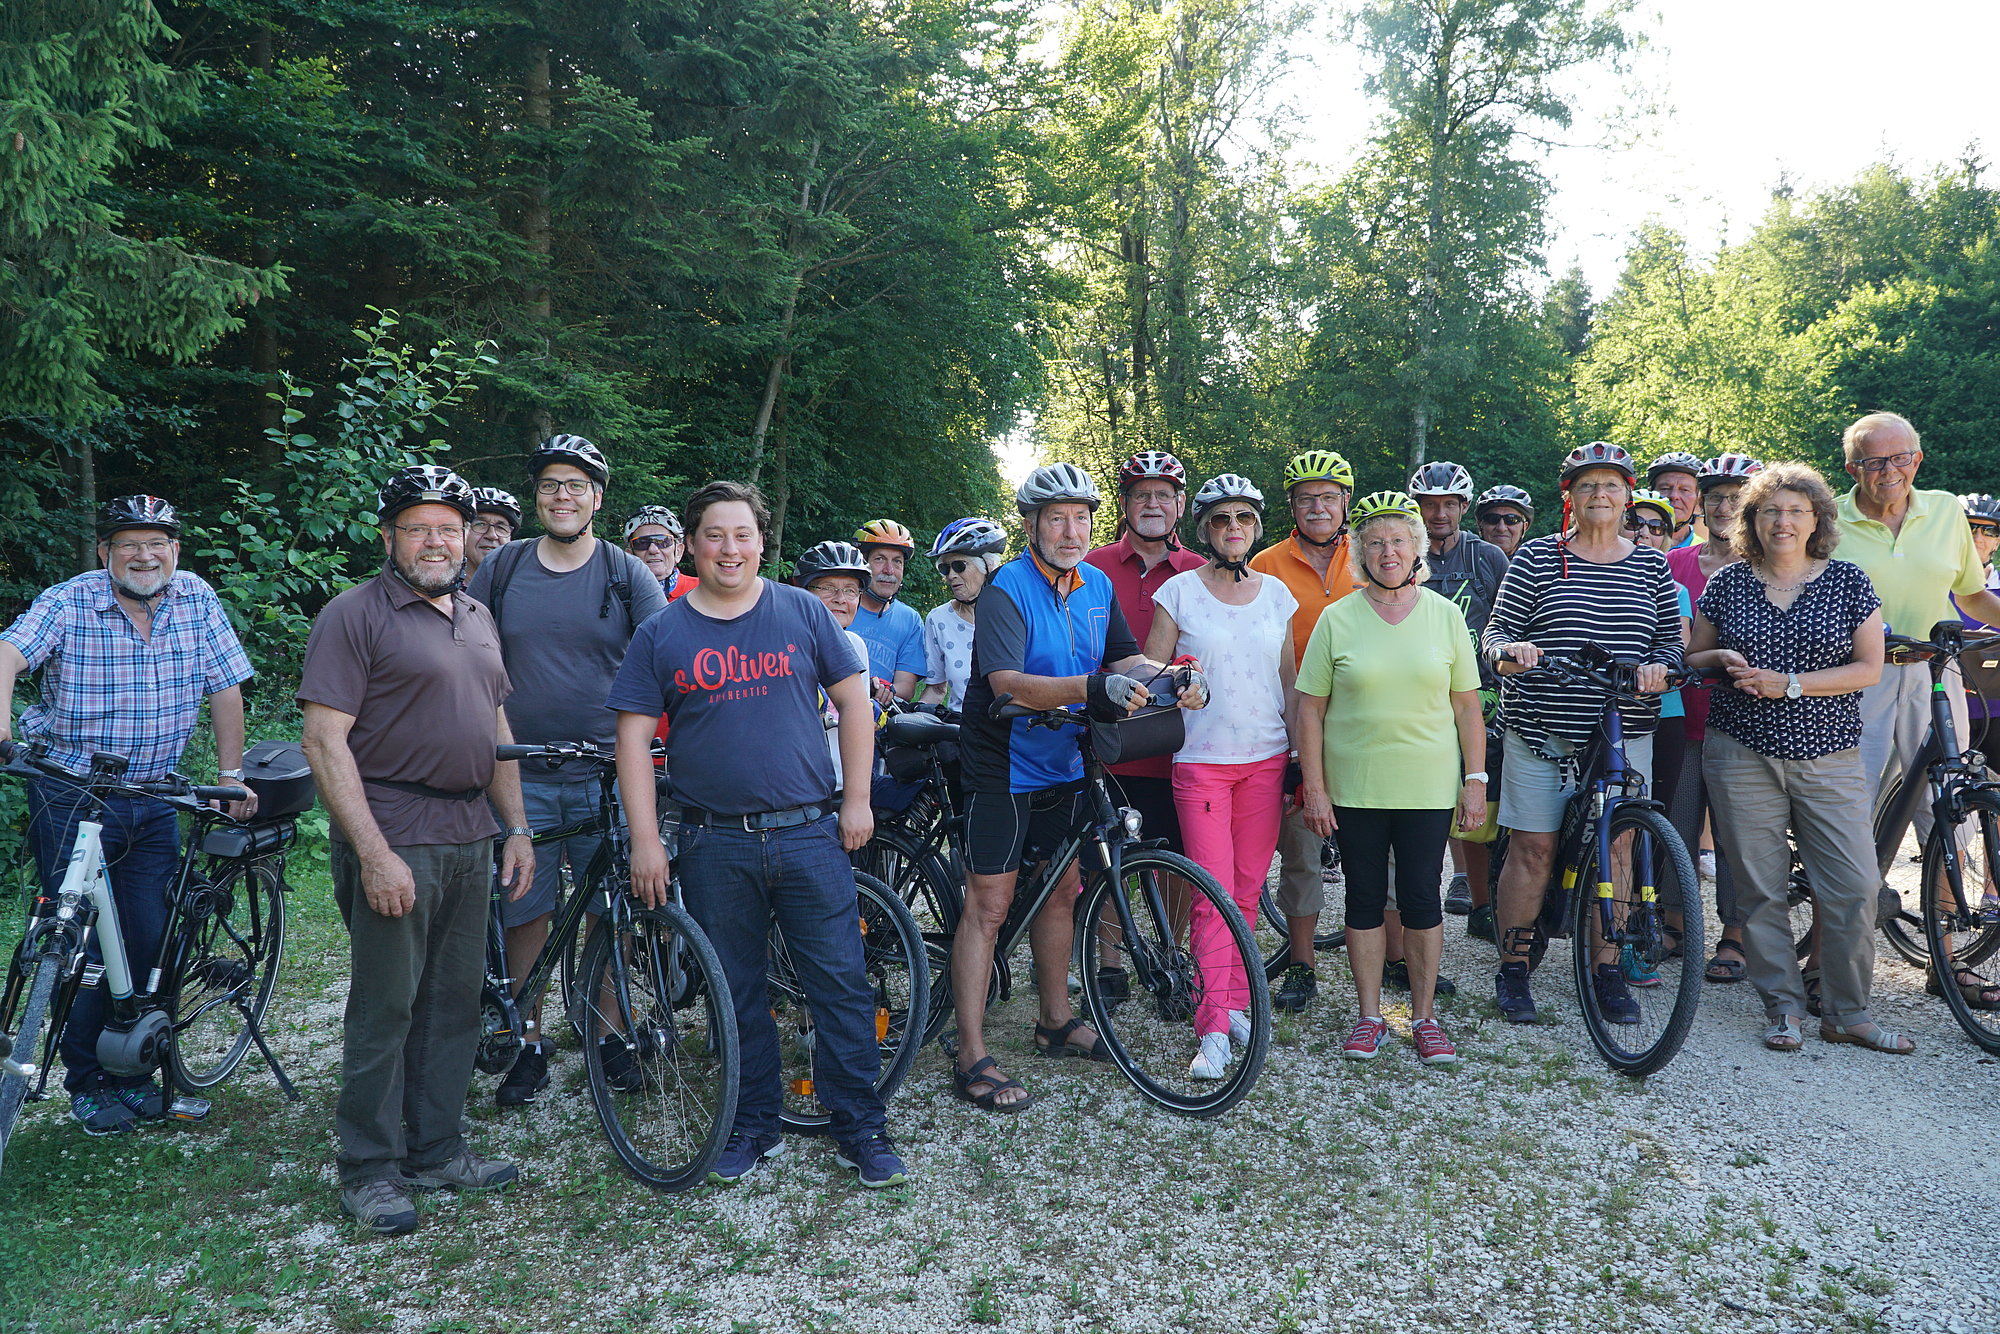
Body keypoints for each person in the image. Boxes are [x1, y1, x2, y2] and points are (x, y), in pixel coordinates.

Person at [609, 481, 908, 1188]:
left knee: (839, 983)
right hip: (714, 842)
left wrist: (856, 798)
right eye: (714, 534)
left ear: (761, 542)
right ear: (691, 544)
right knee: (737, 991)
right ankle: (753, 1123)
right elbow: (630, 740)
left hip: (809, 831)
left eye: (742, 534)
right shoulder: (662, 633)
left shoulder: (802, 610)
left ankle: (860, 1127)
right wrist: (647, 840)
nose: (730, 548)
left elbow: (855, 701)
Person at [299, 465, 534, 1235]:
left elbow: (496, 731)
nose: (436, 540)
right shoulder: (353, 614)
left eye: (448, 527)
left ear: (468, 537)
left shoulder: (476, 612)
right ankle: (369, 1168)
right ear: (387, 537)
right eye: (418, 527)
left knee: (452, 1003)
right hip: (397, 833)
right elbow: (325, 740)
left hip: (470, 834)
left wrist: (518, 827)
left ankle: (436, 1148)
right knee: (386, 1006)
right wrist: (372, 851)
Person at [949, 463, 1204, 1112]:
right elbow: (1006, 682)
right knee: (991, 906)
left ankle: (1055, 1020)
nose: (1071, 530)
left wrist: (1173, 677)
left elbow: (1124, 660)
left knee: (1063, 889)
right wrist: (1092, 690)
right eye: (1057, 518)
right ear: (1031, 524)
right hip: (1002, 763)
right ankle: (971, 1052)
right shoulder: (1007, 587)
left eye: (1081, 518)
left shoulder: (1094, 583)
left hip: (1067, 756)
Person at [0, 495, 256, 1136]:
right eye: (128, 544)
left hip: (157, 793)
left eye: (157, 543)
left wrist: (230, 776)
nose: (144, 555)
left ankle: (132, 1071)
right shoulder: (70, 600)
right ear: (104, 552)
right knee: (81, 941)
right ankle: (85, 1081)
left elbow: (226, 685)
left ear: (175, 550)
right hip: (72, 791)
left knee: (147, 935)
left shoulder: (195, 597)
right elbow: (6, 655)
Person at [465, 436, 666, 1109]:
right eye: (551, 484)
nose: (562, 496)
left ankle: (610, 1033)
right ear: (537, 497)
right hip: (518, 773)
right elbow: (462, 648)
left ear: (596, 499)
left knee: (611, 908)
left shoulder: (623, 571)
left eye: (576, 486)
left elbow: (666, 658)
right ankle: (528, 1040)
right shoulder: (505, 569)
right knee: (526, 913)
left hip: (609, 773)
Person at [1686, 462, 1903, 1053]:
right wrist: (1723, 658)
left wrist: (1792, 684)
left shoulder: (1847, 582)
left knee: (1855, 887)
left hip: (1828, 753)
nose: (1783, 521)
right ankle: (1783, 1007)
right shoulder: (1729, 584)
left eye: (1795, 511)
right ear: (1752, 521)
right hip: (1741, 753)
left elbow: (1868, 668)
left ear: (1817, 520)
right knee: (1761, 888)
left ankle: (1847, 1011)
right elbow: (1694, 657)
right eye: (1770, 511)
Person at [1482, 442, 1683, 1025]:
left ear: (1627, 495)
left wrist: (1660, 667)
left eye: (1613, 485)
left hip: (1623, 729)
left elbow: (1669, 641)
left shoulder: (1651, 565)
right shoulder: (1538, 558)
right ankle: (1514, 966)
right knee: (1534, 848)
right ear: (1569, 496)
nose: (1601, 495)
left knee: (1618, 843)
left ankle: (1607, 967)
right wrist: (1510, 652)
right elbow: (1495, 635)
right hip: (1544, 729)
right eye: (1588, 485)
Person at [1296, 492, 1484, 1065]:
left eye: (1399, 539)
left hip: (1426, 788)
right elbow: (1310, 710)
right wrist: (1316, 788)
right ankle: (1370, 1014)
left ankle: (1425, 1018)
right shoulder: (1337, 618)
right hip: (1356, 789)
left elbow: (1467, 708)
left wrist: (1474, 780)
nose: (1387, 551)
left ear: (1417, 548)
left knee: (1424, 900)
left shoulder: (1445, 615)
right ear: (1359, 553)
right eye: (1374, 542)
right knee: (1363, 899)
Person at [1145, 474, 1297, 1078]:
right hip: (1202, 763)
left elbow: (1287, 682)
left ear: (1256, 527)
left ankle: (1232, 1000)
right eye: (1221, 520)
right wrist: (1175, 677)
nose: (1234, 529)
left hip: (1265, 758)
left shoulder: (1277, 594)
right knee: (1211, 897)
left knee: (1247, 893)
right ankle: (1211, 1030)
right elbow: (1151, 672)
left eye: (1244, 520)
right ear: (1204, 528)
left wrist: (1302, 759)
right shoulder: (1178, 593)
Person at [1835, 412, 2000, 857]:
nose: (1889, 471)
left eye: (1900, 458)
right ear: (1853, 468)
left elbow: (1972, 595)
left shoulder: (1946, 510)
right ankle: (1849, 916)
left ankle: (1945, 921)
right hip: (1857, 678)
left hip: (1934, 673)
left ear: (1918, 460)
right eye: (1874, 462)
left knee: (1950, 800)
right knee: (1852, 801)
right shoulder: (1828, 521)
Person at [1249, 450, 1362, 1014]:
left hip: (1366, 726)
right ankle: (1301, 964)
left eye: (1328, 497)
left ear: (1346, 503)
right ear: (1291, 505)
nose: (1318, 507)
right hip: (1295, 724)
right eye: (1306, 498)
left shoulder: (1371, 558)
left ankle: (1392, 956)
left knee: (1379, 849)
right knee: (1301, 850)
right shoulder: (1265, 564)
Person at [1666, 454, 1762, 985]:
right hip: (1683, 717)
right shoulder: (1676, 564)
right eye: (1716, 497)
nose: (1725, 507)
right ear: (1701, 505)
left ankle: (1735, 935)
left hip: (1743, 721)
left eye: (1737, 498)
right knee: (1678, 823)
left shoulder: (1766, 566)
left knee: (1734, 835)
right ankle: (1677, 925)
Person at [1084, 453, 1204, 866]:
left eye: (1163, 495)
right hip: (1104, 745)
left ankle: (1169, 938)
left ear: (1181, 505)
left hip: (1175, 746)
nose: (1152, 504)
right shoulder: (1088, 567)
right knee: (1105, 872)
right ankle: (1106, 937)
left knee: (1178, 865)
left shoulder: (1201, 571)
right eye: (1141, 495)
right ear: (1124, 504)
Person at [1410, 461, 1506, 943]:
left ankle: (1484, 904)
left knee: (1480, 809)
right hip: (1422, 699)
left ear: (1464, 508)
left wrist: (1498, 685)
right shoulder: (1404, 554)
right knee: (1425, 808)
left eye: (1449, 504)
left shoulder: (1488, 556)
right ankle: (1423, 907)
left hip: (1480, 695)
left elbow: (1510, 621)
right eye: (1430, 504)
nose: (1439, 513)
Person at [793, 539, 877, 772]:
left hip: (843, 781)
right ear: (802, 593)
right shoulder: (784, 647)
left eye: (850, 590)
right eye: (828, 588)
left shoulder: (855, 646)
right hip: (795, 787)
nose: (840, 598)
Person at [920, 517, 1009, 711]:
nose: (951, 575)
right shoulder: (938, 619)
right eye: (945, 568)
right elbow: (936, 690)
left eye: (959, 566)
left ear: (989, 566)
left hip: (1011, 730)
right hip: (960, 729)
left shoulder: (1016, 614)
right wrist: (916, 714)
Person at [850, 519, 925, 700]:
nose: (889, 570)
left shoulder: (910, 620)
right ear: (862, 563)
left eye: (897, 562)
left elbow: (906, 687)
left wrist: (880, 690)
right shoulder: (840, 607)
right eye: (880, 559)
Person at [625, 505, 696, 600]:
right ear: (629, 555)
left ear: (678, 551)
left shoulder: (704, 591)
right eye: (642, 543)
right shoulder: (617, 599)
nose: (653, 550)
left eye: (663, 541)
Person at [1646, 451, 1705, 549]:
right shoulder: (1631, 544)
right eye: (1665, 488)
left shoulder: (1703, 551)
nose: (1674, 496)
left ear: (1698, 499)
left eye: (1684, 490)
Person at [1475, 485, 1534, 559]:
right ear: (1479, 525)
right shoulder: (1465, 561)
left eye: (1511, 520)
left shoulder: (1537, 566)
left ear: (1525, 527)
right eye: (1492, 519)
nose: (1501, 528)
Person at [468, 488, 520, 570]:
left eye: (501, 528)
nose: (492, 535)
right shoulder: (442, 581)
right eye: (481, 524)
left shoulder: (525, 581)